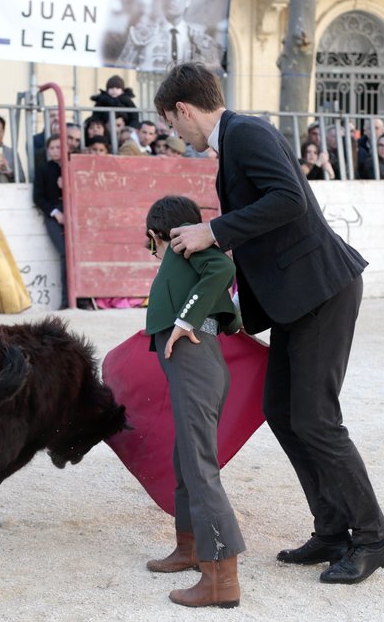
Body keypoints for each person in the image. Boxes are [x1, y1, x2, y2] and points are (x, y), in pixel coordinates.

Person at [158, 63, 384, 587]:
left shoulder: (245, 133)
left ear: (184, 109)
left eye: (174, 124)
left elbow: (288, 199)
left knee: (315, 418)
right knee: (283, 411)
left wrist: (212, 231)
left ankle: (374, 537)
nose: (178, 134)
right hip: (299, 298)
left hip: (321, 291)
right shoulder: (238, 140)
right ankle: (332, 529)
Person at [142, 194, 244, 609]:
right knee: (186, 457)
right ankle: (189, 548)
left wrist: (184, 321)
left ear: (156, 236)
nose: (153, 253)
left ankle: (221, 579)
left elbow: (222, 267)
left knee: (199, 465)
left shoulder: (184, 250)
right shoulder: (184, 260)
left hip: (195, 362)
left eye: (151, 245)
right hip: (199, 363)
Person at [118, 0, 221, 71]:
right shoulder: (140, 35)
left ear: (188, 0)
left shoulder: (202, 41)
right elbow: (122, 71)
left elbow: (214, 77)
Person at [32, 136, 68, 309]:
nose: (55, 151)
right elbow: (37, 197)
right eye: (51, 148)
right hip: (53, 214)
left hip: (72, 213)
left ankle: (80, 299)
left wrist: (67, 185)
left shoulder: (71, 166)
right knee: (64, 253)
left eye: (58, 147)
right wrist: (55, 213)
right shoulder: (43, 169)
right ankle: (65, 300)